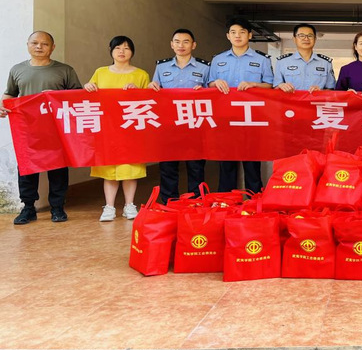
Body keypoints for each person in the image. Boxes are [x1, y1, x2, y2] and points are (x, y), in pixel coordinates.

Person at [1, 31, 82, 225]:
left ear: (52, 47)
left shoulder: (65, 70)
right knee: (27, 167)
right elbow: (10, 94)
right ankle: (28, 208)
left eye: (44, 44)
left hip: (56, 129)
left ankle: (58, 207)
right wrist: (3, 106)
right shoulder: (17, 70)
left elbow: (78, 96)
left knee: (58, 168)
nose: (39, 47)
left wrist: (56, 95)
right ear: (28, 45)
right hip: (27, 129)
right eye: (35, 43)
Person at [84, 36, 150, 222]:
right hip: (107, 129)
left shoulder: (141, 75)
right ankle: (109, 207)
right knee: (109, 170)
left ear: (132, 52)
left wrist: (138, 91)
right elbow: (90, 93)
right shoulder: (100, 72)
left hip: (131, 130)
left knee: (130, 169)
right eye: (118, 48)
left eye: (127, 48)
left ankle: (130, 205)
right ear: (111, 50)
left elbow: (151, 101)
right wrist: (88, 86)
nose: (122, 51)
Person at [208, 17, 274, 193]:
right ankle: (227, 200)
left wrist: (254, 84)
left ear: (250, 35)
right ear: (228, 36)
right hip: (225, 118)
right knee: (226, 162)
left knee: (252, 162)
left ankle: (254, 198)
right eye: (233, 32)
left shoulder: (262, 60)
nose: (237, 36)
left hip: (252, 118)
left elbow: (270, 84)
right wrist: (215, 82)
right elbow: (209, 84)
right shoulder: (217, 60)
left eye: (242, 32)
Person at [148, 28, 210, 202]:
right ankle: (170, 201)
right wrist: (151, 87)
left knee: (196, 165)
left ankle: (196, 200)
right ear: (171, 44)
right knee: (168, 166)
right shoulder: (161, 67)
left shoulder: (205, 67)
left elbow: (212, 94)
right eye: (177, 41)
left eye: (186, 42)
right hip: (169, 124)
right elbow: (155, 91)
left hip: (195, 124)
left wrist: (205, 91)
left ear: (193, 45)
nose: (181, 45)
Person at [273, 24, 335, 92]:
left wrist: (320, 91)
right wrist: (281, 86)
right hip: (291, 99)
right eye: (301, 35)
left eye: (310, 36)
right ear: (294, 39)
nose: (306, 39)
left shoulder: (325, 63)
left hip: (317, 99)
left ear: (315, 39)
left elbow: (332, 89)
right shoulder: (282, 62)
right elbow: (275, 87)